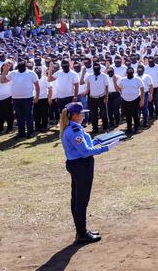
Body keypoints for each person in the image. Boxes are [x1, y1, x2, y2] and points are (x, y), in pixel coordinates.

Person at [60, 102, 119, 243]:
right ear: (75, 115)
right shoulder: (74, 131)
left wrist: (98, 140)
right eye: (81, 113)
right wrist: (107, 148)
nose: (84, 115)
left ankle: (81, 231)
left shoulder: (73, 128)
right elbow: (85, 152)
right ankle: (82, 233)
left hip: (77, 165)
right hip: (81, 166)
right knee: (81, 200)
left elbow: (85, 145)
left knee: (77, 199)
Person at [0, 60, 40, 138]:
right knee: (19, 116)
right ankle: (21, 132)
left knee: (28, 115)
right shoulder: (13, 73)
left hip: (28, 98)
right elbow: (2, 81)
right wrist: (5, 71)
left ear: (26, 66)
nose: (20, 69)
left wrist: (37, 96)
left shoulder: (31, 73)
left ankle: (30, 132)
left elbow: (37, 86)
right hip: (16, 98)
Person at [111, 68, 144, 135]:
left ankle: (136, 129)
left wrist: (142, 99)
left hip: (135, 99)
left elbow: (142, 89)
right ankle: (129, 129)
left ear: (133, 72)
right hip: (125, 100)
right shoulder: (123, 80)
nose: (129, 73)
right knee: (128, 115)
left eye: (130, 72)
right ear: (126, 72)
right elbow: (118, 89)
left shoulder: (137, 79)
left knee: (135, 115)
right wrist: (114, 82)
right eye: (128, 71)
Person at [85, 62, 109, 133]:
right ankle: (95, 129)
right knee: (93, 115)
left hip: (102, 97)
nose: (96, 69)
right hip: (92, 98)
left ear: (100, 68)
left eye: (97, 68)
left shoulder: (104, 76)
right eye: (94, 68)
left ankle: (105, 128)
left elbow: (107, 87)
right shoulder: (89, 76)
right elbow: (86, 84)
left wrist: (106, 97)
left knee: (104, 114)